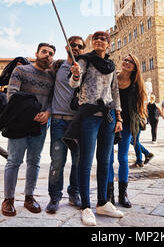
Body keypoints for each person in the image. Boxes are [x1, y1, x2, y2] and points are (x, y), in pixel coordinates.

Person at [68, 31, 124, 226]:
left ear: (108, 45)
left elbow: (115, 91)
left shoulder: (111, 65)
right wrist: (75, 75)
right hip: (89, 115)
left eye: (104, 39)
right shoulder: (84, 60)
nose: (100, 41)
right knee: (86, 160)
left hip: (107, 116)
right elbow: (74, 81)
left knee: (105, 160)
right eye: (97, 39)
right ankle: (86, 206)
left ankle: (102, 202)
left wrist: (119, 117)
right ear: (92, 42)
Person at [1, 43, 55, 217]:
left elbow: (52, 99)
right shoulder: (21, 71)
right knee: (14, 161)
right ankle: (8, 199)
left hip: (40, 125)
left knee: (34, 161)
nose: (47, 55)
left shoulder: (51, 76)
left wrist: (47, 113)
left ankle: (29, 197)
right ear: (36, 53)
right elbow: (12, 94)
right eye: (44, 52)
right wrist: (32, 112)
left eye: (51, 53)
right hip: (19, 123)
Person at [46, 36, 86, 214]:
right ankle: (54, 196)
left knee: (77, 161)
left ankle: (74, 193)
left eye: (80, 46)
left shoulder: (85, 68)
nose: (76, 48)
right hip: (58, 120)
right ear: (67, 46)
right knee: (57, 160)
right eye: (73, 45)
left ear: (83, 49)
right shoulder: (57, 66)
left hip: (77, 122)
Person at [107, 54, 148, 208]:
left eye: (130, 62)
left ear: (135, 66)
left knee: (123, 158)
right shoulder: (112, 77)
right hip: (109, 121)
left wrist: (138, 124)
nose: (126, 63)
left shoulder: (136, 84)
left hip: (127, 124)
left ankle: (123, 193)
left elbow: (139, 106)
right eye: (125, 60)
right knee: (108, 159)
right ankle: (109, 193)